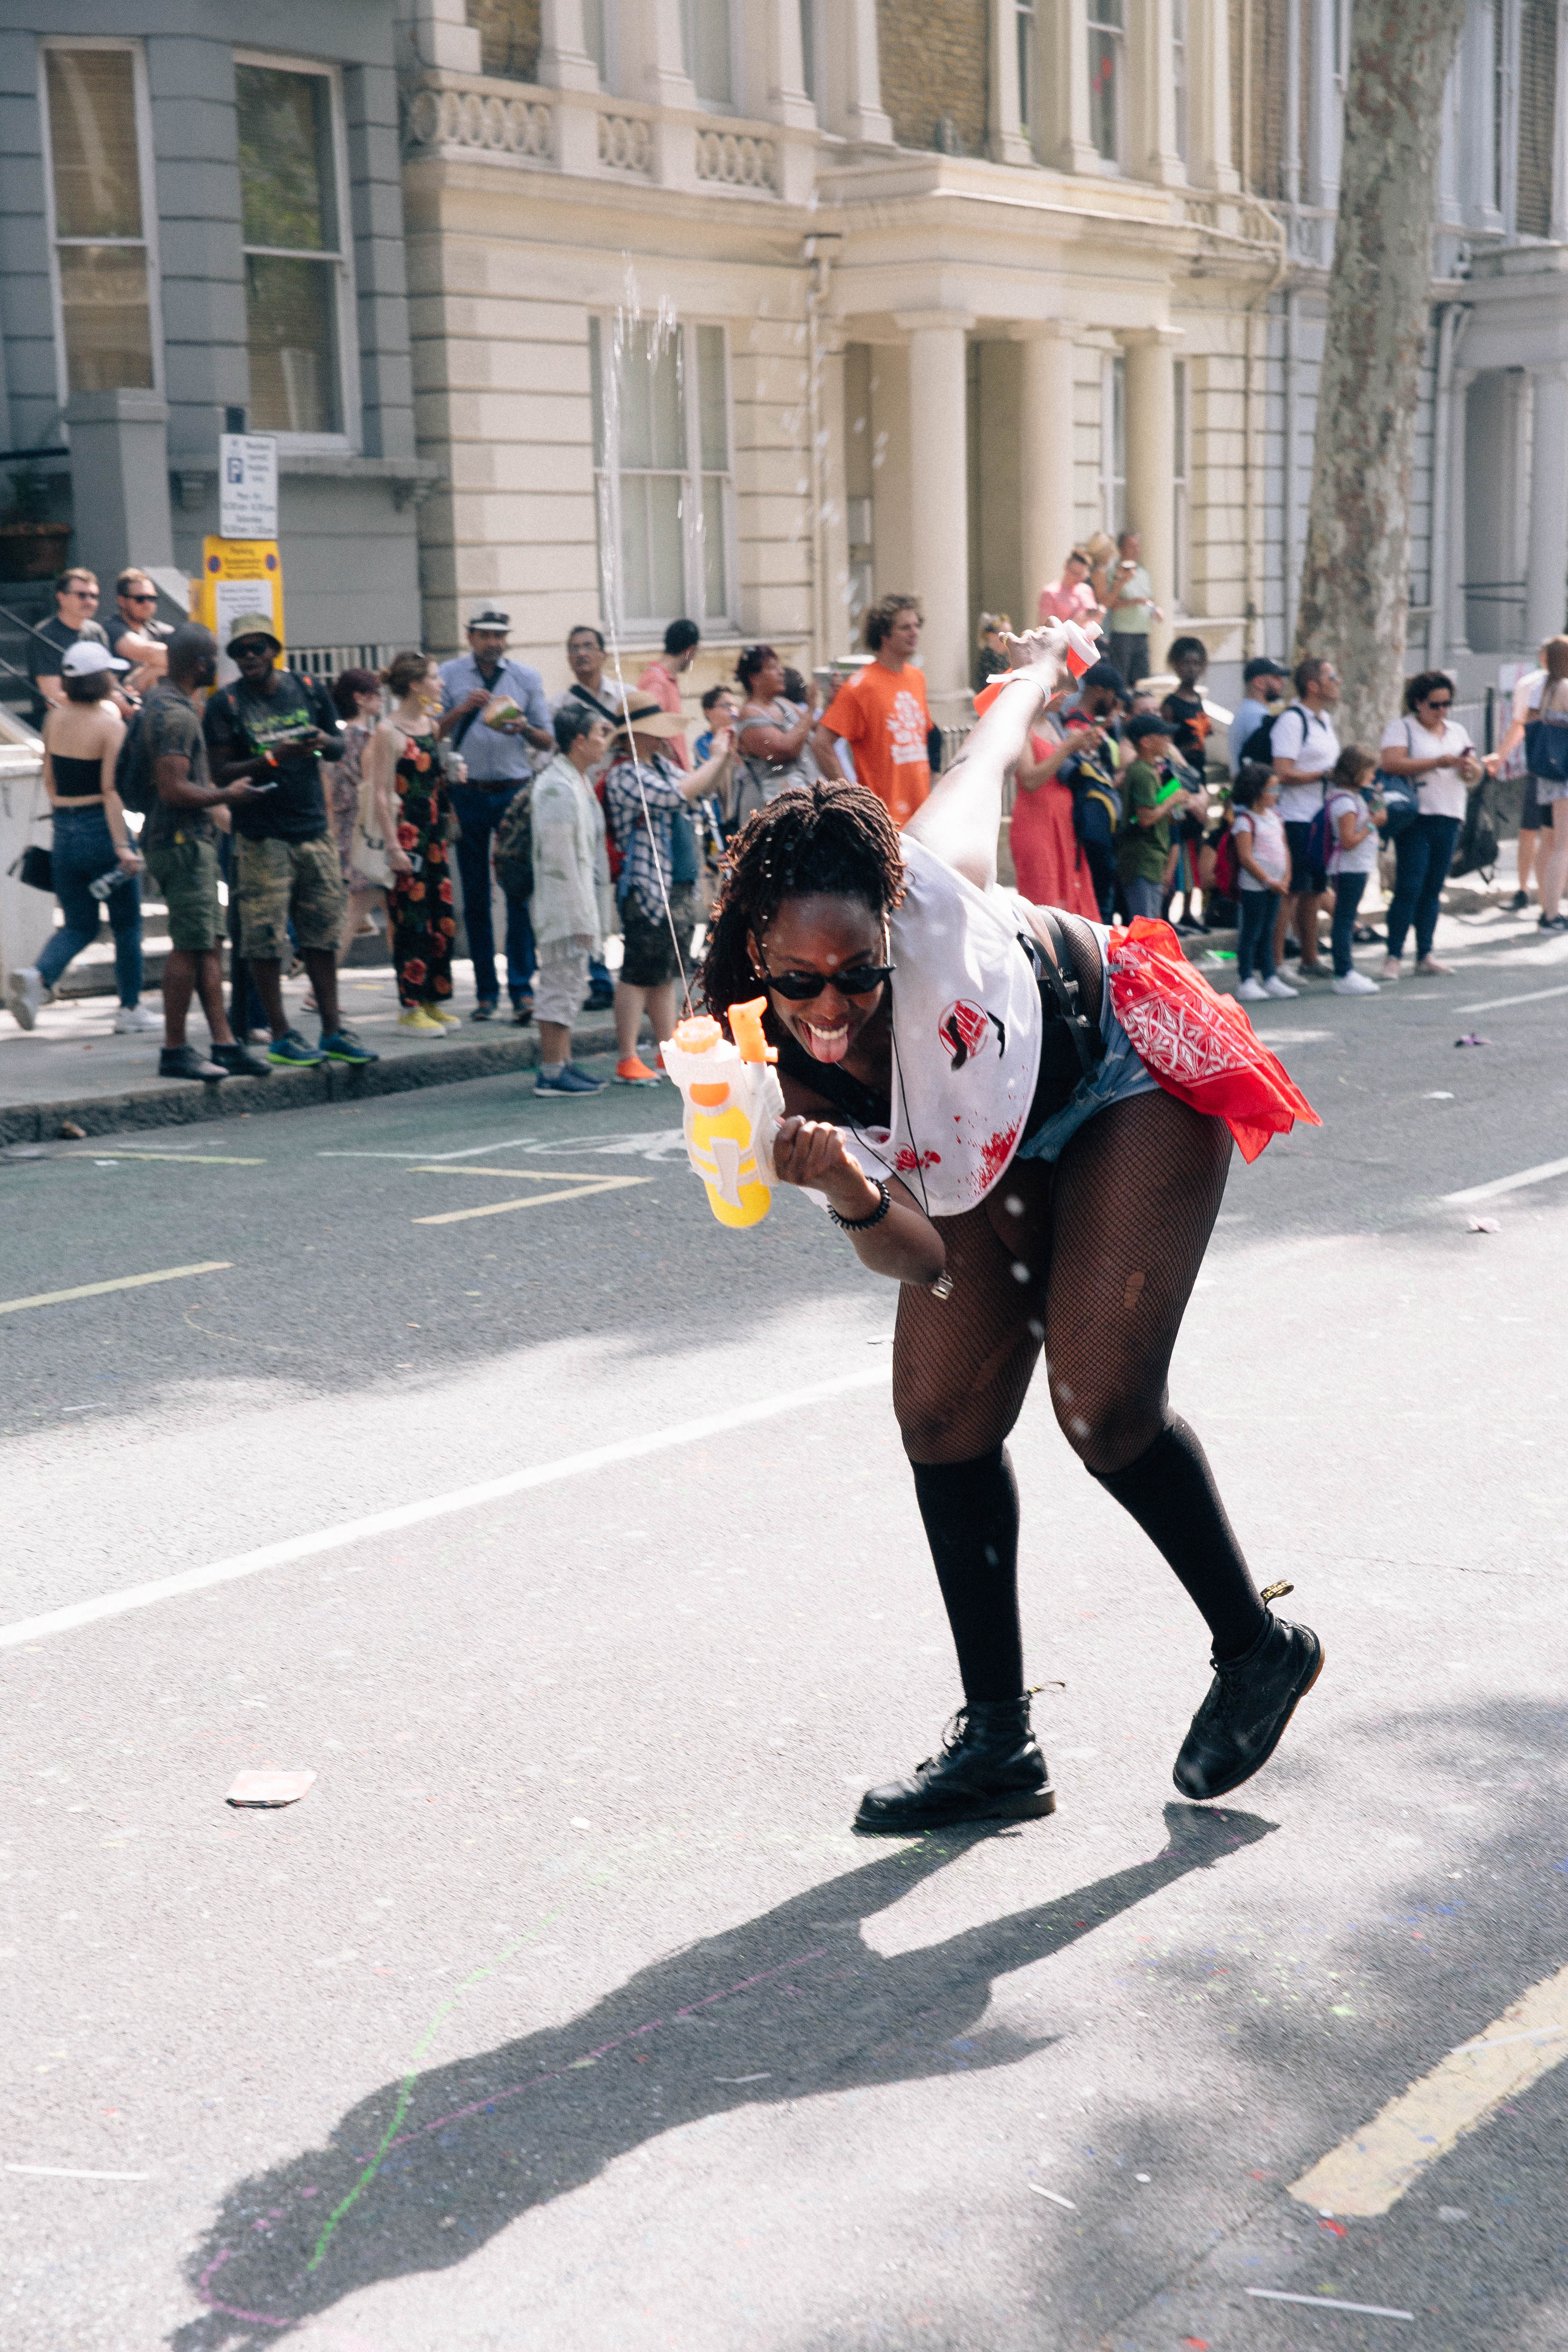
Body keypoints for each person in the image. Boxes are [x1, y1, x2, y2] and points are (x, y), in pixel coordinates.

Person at [695, 625, 1322, 1830]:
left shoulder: (944, 904)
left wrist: (1038, 671)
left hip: (1117, 1079)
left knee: (1099, 1403)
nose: (831, 1008)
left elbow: (980, 765)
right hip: (969, 1149)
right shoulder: (750, 1033)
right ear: (761, 956)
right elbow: (925, 1257)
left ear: (894, 932)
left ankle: (1257, 1648)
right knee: (940, 1414)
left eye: (859, 974)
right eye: (801, 983)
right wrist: (844, 1190)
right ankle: (998, 1747)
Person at [203, 613, 376, 1068]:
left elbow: (337, 749)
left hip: (311, 828)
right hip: (261, 836)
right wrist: (271, 760)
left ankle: (333, 1028)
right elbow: (219, 774)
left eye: (257, 649)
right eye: (240, 652)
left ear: (274, 650)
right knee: (264, 936)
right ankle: (279, 1032)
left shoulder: (308, 687)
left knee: (322, 931)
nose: (249, 658)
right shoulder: (227, 705)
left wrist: (318, 742)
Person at [138, 624, 272, 1082]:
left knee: (210, 944)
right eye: (213, 657)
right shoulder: (176, 715)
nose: (219, 665)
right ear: (200, 663)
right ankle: (175, 1049)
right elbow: (173, 788)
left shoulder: (162, 703)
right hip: (181, 841)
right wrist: (227, 795)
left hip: (189, 840)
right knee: (191, 945)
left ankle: (225, 1043)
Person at [4, 641, 148, 1034]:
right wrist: (122, 845)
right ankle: (130, 1008)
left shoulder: (55, 719)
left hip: (64, 830)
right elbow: (110, 789)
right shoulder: (110, 726)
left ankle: (39, 975)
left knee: (78, 925)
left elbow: (49, 777)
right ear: (100, 680)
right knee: (127, 924)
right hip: (102, 828)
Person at [602, 697, 732, 1084]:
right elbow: (677, 795)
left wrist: (720, 759)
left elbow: (697, 789)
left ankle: (666, 1052)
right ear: (636, 734)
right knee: (637, 972)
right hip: (643, 887)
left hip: (668, 885)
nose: (664, 737)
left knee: (662, 973)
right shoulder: (626, 774)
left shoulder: (656, 765)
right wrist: (717, 756)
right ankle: (627, 1057)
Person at [437, 606, 551, 1023]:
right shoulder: (449, 675)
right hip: (467, 791)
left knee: (518, 890)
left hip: (514, 792)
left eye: (499, 636)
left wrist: (521, 727)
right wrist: (465, 708)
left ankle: (522, 989)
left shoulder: (525, 677)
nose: (493, 642)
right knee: (476, 895)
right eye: (484, 635)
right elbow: (433, 731)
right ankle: (486, 993)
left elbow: (548, 740)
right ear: (470, 637)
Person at [370, 652, 458, 1033]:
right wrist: (394, 848)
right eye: (435, 678)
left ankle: (432, 999)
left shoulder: (430, 727)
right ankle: (410, 1006)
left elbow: (435, 780)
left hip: (434, 837)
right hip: (407, 838)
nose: (441, 684)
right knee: (410, 922)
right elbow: (379, 792)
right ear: (415, 685)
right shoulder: (388, 731)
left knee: (440, 919)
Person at [530, 702, 613, 1095]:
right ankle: (551, 1070)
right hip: (563, 906)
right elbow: (560, 861)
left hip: (576, 901)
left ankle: (562, 1061)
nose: (604, 741)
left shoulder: (574, 780)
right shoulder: (558, 787)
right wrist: (580, 918)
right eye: (599, 733)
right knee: (558, 984)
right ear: (578, 740)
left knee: (570, 983)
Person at [1378, 671, 1482, 976]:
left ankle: (1425, 953)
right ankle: (1394, 954)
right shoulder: (1403, 728)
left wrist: (1469, 769)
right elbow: (1391, 763)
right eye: (1435, 705)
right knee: (1410, 885)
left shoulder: (1456, 731)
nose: (1442, 711)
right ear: (1418, 703)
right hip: (1416, 816)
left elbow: (1472, 774)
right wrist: (1437, 762)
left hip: (1449, 813)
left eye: (1447, 704)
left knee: (1434, 888)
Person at [811, 595, 931, 827]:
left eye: (917, 626)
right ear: (884, 635)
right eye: (905, 627)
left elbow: (929, 740)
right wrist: (854, 801)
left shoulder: (917, 678)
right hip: (883, 820)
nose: (914, 632)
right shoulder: (861, 685)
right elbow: (821, 745)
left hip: (921, 817)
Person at [552, 625, 619, 1009]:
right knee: (589, 883)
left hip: (617, 803)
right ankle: (597, 975)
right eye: (574, 648)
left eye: (589, 647)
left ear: (603, 654)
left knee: (614, 888)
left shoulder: (623, 697)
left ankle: (613, 969)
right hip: (581, 802)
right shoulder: (559, 706)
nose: (582, 654)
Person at [324, 668, 404, 968]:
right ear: (359, 698)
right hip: (369, 830)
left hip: (343, 829)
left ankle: (409, 985)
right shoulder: (370, 740)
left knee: (387, 909)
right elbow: (376, 790)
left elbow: (328, 794)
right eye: (375, 694)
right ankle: (319, 991)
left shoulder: (332, 740)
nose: (382, 699)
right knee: (356, 913)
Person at [1269, 655, 1341, 977]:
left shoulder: (1324, 720)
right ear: (1313, 685)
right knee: (1292, 891)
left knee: (1314, 890)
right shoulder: (1292, 721)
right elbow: (1282, 771)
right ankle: (1277, 961)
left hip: (1321, 819)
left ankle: (1310, 958)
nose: (1338, 683)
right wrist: (1324, 775)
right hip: (1296, 817)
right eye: (1332, 677)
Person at [1491, 635, 1568, 934]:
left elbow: (1524, 724)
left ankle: (1546, 908)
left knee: (1549, 844)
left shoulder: (1545, 688)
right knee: (1561, 846)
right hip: (1564, 776)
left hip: (1549, 775)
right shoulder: (1564, 687)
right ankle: (1551, 913)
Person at [1116, 710, 1206, 921]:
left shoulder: (1149, 770)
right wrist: (1172, 800)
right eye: (1163, 736)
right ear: (1146, 742)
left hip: (1152, 860)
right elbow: (1145, 819)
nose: (1168, 740)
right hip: (1142, 860)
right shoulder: (1143, 773)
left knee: (1150, 924)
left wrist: (1173, 811)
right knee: (1145, 928)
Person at [732, 644, 818, 830]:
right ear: (754, 679)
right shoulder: (749, 715)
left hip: (798, 809)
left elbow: (819, 730)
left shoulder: (781, 704)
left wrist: (835, 700)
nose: (781, 672)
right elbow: (785, 750)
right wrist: (810, 710)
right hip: (770, 816)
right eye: (772, 668)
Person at [1229, 762, 1293, 1002]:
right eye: (1272, 790)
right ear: (1256, 792)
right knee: (1251, 932)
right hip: (1255, 886)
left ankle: (1270, 976)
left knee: (1269, 931)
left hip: (1276, 885)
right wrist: (1267, 881)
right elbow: (1246, 857)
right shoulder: (1245, 821)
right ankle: (1246, 979)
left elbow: (1284, 848)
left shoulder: (1275, 817)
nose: (1277, 795)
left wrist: (1286, 877)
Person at [1161, 637, 1212, 931]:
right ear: (1176, 665)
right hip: (1179, 783)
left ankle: (1191, 911)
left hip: (1200, 780)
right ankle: (1168, 910)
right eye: (1186, 663)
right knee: (1176, 845)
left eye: (1196, 663)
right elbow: (1168, 746)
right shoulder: (1171, 705)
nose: (1191, 669)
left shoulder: (1199, 701)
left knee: (1195, 845)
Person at [1323, 745, 1383, 996]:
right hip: (1348, 867)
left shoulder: (1351, 798)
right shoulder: (1345, 802)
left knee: (1347, 917)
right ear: (1356, 772)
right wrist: (1372, 825)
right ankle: (1343, 972)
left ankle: (1346, 970)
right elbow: (1347, 840)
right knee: (1345, 919)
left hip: (1356, 866)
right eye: (1370, 771)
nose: (1373, 775)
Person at [27, 567, 110, 717]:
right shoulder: (45, 635)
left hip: (94, 713)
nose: (89, 601)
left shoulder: (97, 632)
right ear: (61, 598)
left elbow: (107, 681)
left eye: (94, 596)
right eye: (82, 595)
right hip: (58, 720)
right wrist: (103, 704)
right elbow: (53, 698)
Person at [637, 619, 701, 770]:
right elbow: (647, 731)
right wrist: (673, 763)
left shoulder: (664, 678)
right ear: (690, 651)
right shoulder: (657, 681)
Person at [1103, 529, 1161, 688]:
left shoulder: (1143, 573)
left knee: (1142, 681)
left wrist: (1155, 610)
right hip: (1122, 634)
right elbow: (1111, 604)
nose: (1136, 550)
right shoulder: (1114, 572)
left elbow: (1148, 600)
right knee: (1120, 681)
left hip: (1142, 633)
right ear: (1121, 549)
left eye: (1138, 546)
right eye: (1131, 546)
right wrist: (1134, 601)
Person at [103, 568, 171, 696]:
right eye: (140, 599)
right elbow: (149, 652)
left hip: (148, 697)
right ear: (122, 601)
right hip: (120, 696)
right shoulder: (112, 628)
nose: (147, 604)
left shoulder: (154, 628)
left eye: (152, 598)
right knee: (158, 669)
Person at [1228, 656, 1289, 776]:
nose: (1282, 682)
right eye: (1276, 677)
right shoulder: (1256, 715)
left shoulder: (1247, 710)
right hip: (1256, 788)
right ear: (1259, 682)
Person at [1037, 550, 1101, 630]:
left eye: (1082, 575)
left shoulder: (1086, 590)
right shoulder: (1050, 592)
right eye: (1076, 574)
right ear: (1066, 568)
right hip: (1064, 641)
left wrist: (1099, 615)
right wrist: (1075, 622)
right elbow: (1045, 629)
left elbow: (1094, 621)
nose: (1079, 578)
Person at [974, 613, 1013, 691]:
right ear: (991, 636)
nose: (1009, 638)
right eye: (1005, 635)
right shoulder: (988, 658)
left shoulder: (1003, 656)